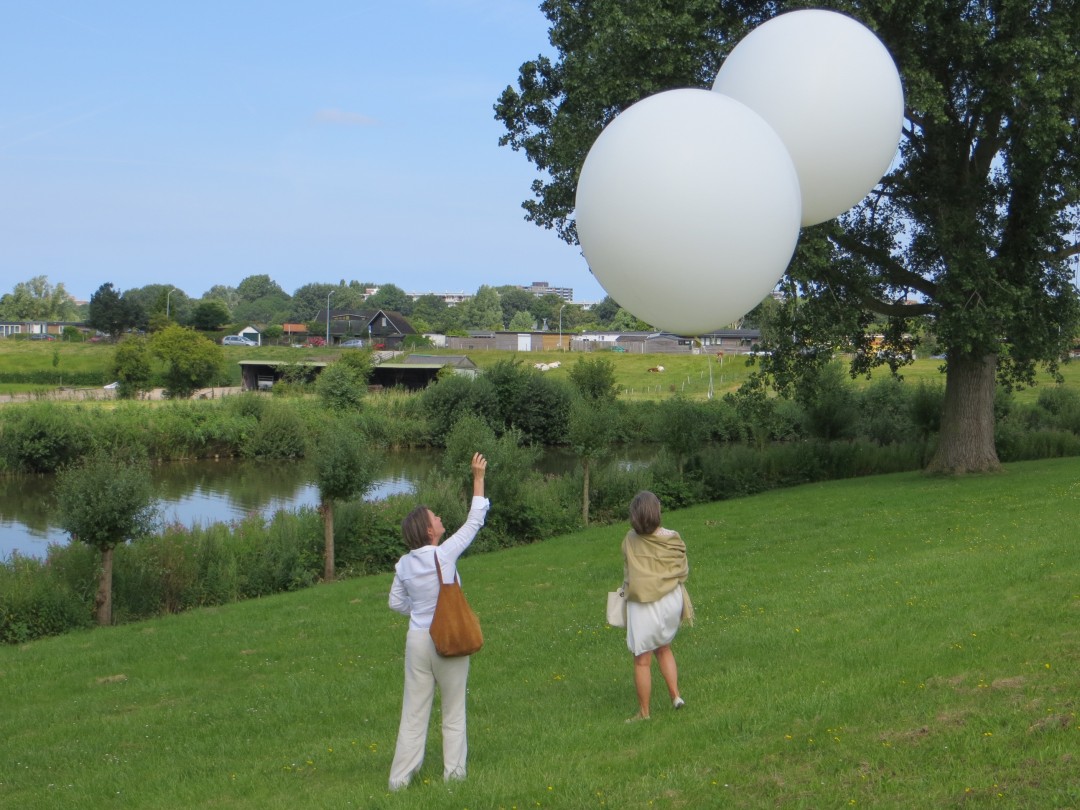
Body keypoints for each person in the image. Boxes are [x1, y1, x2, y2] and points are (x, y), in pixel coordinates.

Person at [388, 452, 489, 791]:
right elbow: (474, 522)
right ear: (430, 530)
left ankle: (399, 780)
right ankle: (454, 777)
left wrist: (419, 611)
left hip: (417, 641)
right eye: (436, 516)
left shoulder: (403, 564)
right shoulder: (443, 554)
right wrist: (478, 478)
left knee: (413, 713)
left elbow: (395, 602)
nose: (440, 517)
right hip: (446, 638)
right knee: (453, 710)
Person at [621, 490, 693, 722]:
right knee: (664, 647)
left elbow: (630, 576)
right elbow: (682, 570)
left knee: (642, 658)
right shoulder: (673, 537)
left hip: (644, 603)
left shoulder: (631, 540)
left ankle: (644, 713)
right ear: (656, 512)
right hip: (672, 601)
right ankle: (676, 697)